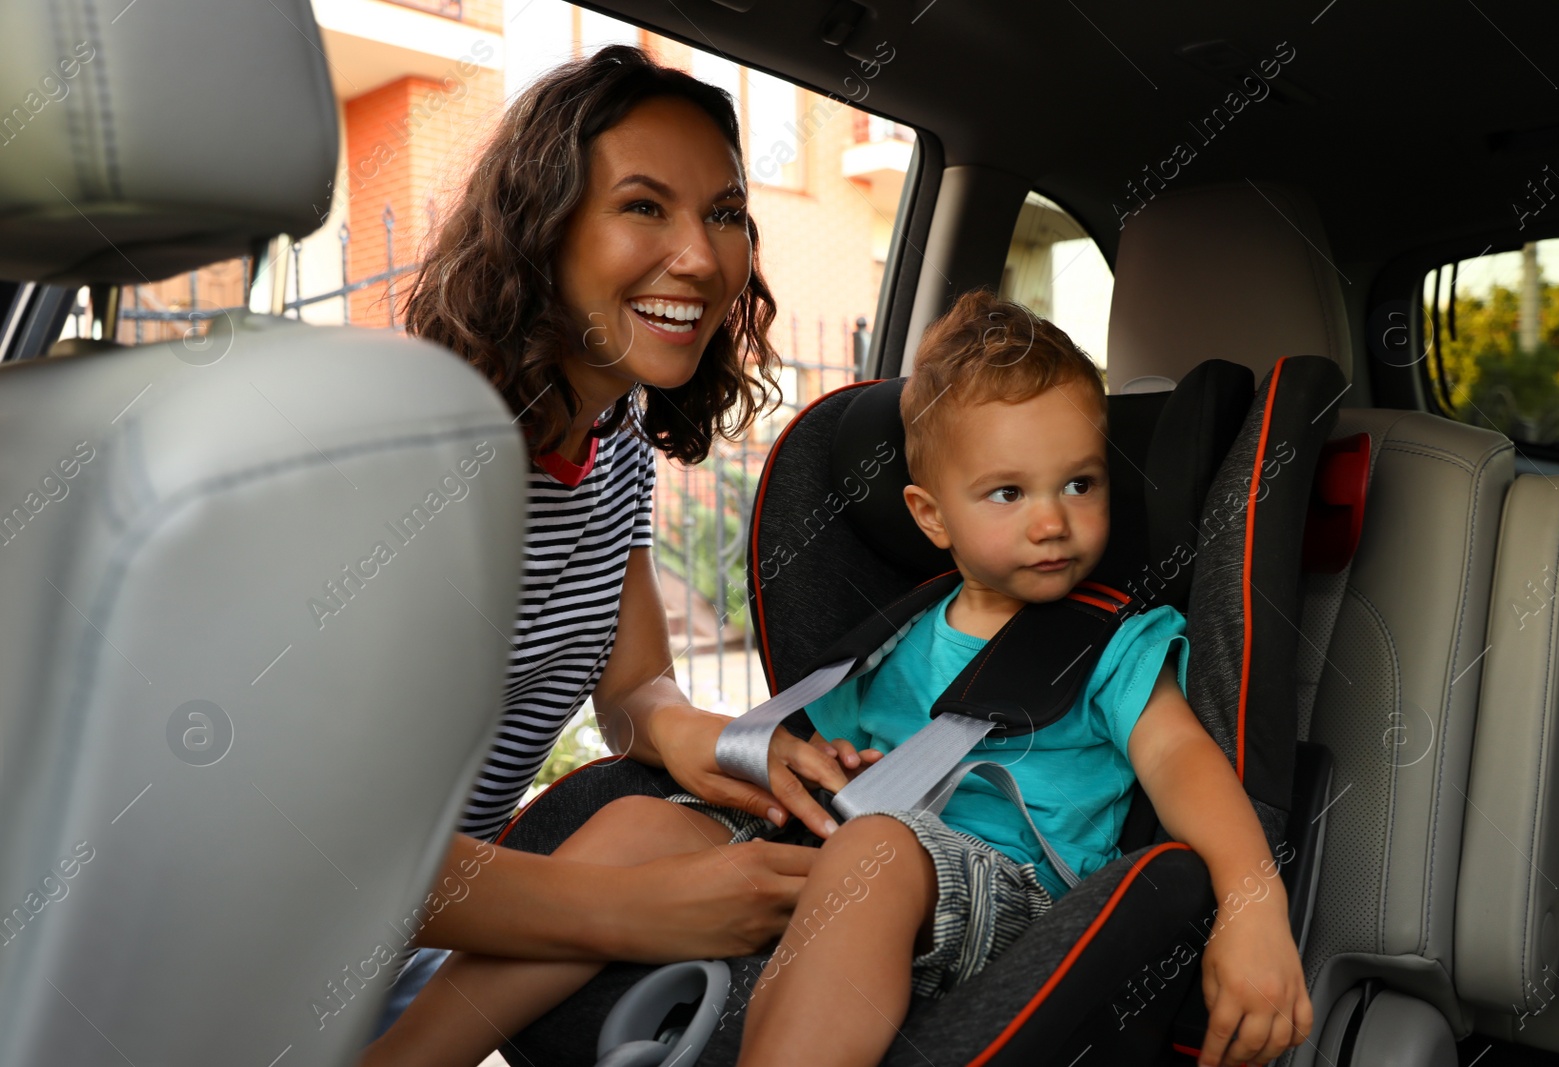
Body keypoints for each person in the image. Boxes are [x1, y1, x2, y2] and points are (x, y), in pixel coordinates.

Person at [361, 288, 1315, 1067]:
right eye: (1008, 493)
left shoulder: (1117, 642)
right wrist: (824, 765)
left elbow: (1188, 764)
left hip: (1011, 898)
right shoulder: (895, 636)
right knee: (641, 824)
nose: (1052, 521)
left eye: (1081, 482)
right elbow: (827, 766)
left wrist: (1252, 902)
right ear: (928, 515)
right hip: (855, 865)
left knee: (877, 854)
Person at [364, 45, 859, 1039]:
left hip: (415, 943)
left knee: (649, 826)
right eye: (643, 205)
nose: (702, 258)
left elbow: (633, 690)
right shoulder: (408, 458)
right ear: (541, 232)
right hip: (275, 946)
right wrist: (655, 908)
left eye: (723, 214)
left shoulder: (617, 447)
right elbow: (328, 850)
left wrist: (715, 741)